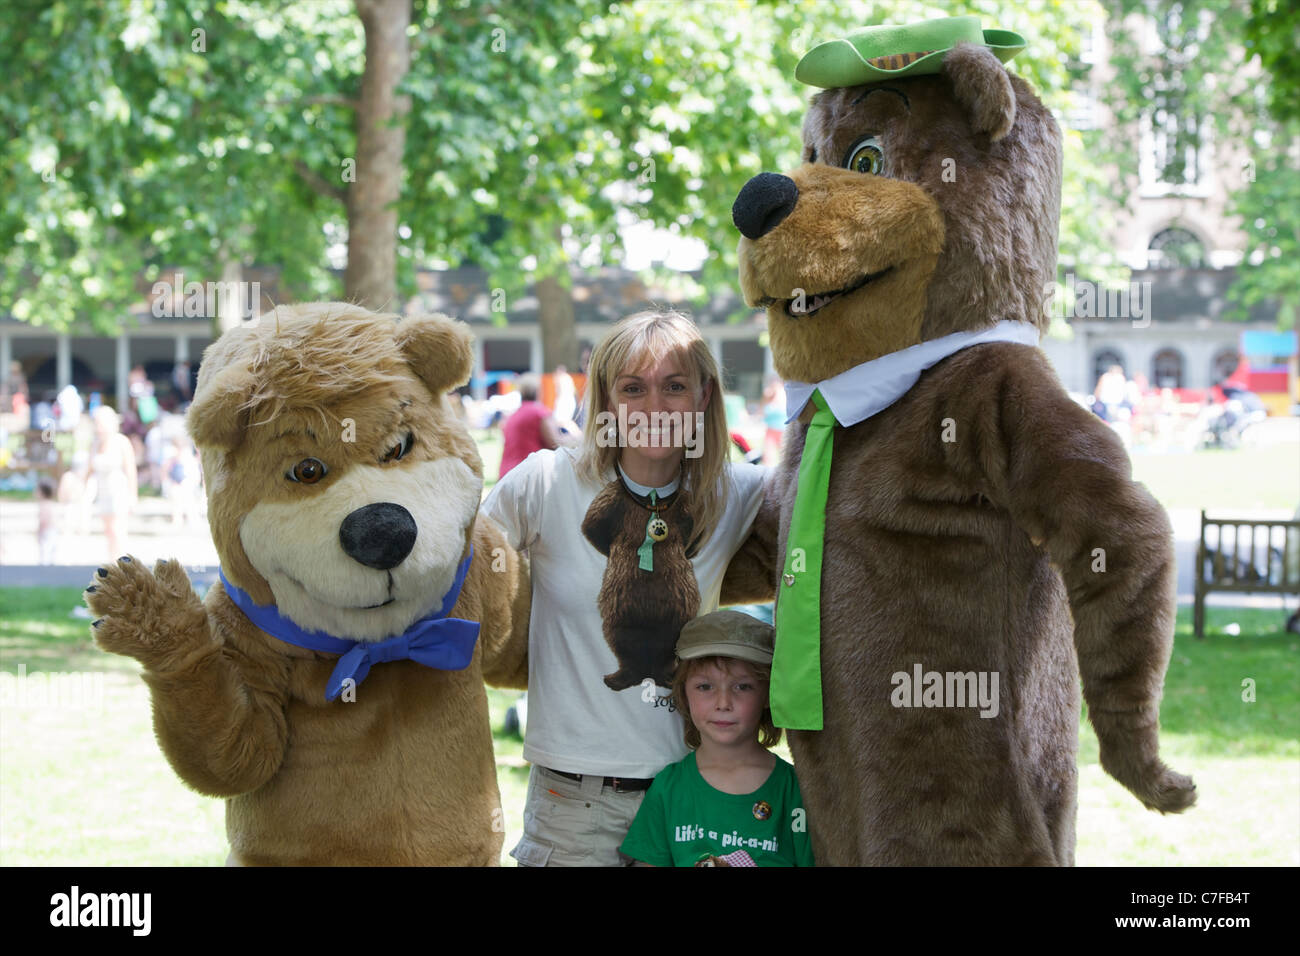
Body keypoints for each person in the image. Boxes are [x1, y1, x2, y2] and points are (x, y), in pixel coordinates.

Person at [481, 309, 767, 867]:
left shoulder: (735, 493)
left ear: (705, 397)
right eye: (633, 389)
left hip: (691, 792)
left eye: (675, 387)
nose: (654, 408)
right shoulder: (544, 482)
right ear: (606, 400)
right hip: (572, 800)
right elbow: (459, 579)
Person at [620, 610, 814, 867]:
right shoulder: (669, 787)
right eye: (705, 687)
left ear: (768, 694)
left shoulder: (796, 789)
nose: (723, 703)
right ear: (683, 694)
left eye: (742, 686)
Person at [497, 373, 577, 480]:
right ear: (538, 391)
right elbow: (554, 443)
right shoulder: (539, 413)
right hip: (527, 474)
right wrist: (575, 438)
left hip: (506, 474)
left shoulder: (512, 416)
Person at [84, 405, 138, 560]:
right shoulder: (95, 444)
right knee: (108, 531)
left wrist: (132, 495)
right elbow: (89, 469)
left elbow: (130, 471)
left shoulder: (122, 442)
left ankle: (123, 563)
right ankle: (112, 562)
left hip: (118, 490)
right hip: (102, 490)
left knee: (117, 530)